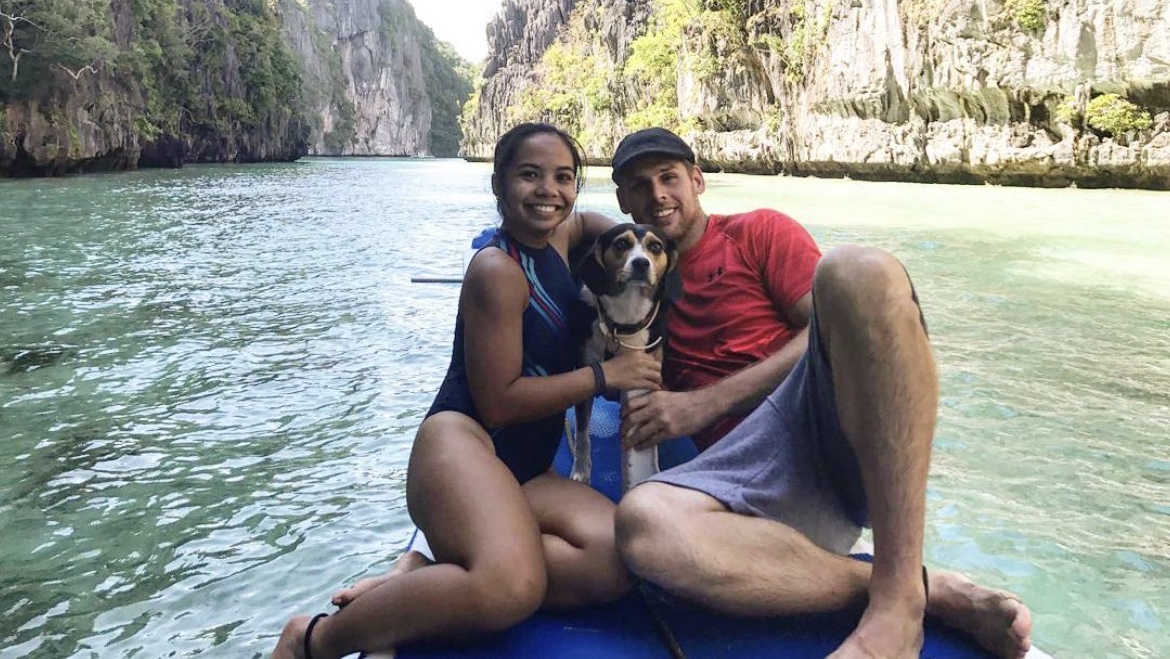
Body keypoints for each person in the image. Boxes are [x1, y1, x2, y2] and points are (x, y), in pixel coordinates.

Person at [608, 127, 1034, 659]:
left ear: (697, 180)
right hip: (740, 475)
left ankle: (897, 609)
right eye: (639, 185)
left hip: (815, 421)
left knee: (858, 271)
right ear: (622, 201)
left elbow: (826, 330)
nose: (657, 195)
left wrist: (706, 403)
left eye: (668, 177)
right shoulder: (632, 273)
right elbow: (565, 232)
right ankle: (921, 589)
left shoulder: (758, 232)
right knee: (644, 524)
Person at [271, 122, 661, 659]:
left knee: (618, 560)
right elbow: (499, 402)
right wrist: (604, 376)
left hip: (528, 470)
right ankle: (313, 638)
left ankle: (429, 578)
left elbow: (627, 237)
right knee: (511, 588)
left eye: (563, 177)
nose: (548, 191)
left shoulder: (565, 234)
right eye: (529, 175)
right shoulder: (497, 270)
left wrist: (656, 250)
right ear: (499, 183)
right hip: (466, 445)